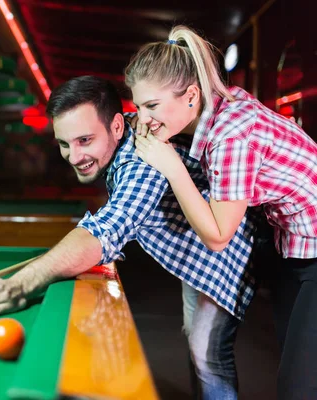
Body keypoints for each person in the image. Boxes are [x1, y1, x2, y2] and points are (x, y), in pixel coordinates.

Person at [0, 76, 259, 400]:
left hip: (225, 249)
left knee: (208, 355)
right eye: (64, 143)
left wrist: (19, 284)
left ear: (115, 127)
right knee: (196, 343)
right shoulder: (128, 127)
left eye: (84, 140)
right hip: (196, 255)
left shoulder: (141, 160)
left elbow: (108, 228)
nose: (73, 155)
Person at [126, 25, 317, 400]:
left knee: (300, 387)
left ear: (192, 95)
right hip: (292, 245)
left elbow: (217, 236)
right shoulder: (220, 109)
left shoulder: (231, 135)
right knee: (299, 373)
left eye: (151, 106)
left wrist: (171, 165)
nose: (144, 118)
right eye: (138, 107)